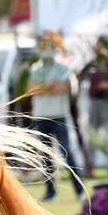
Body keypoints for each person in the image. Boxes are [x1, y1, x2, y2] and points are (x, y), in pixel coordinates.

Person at [27, 29, 85, 202]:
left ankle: (80, 190)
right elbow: (31, 90)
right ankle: (50, 192)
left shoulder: (63, 66)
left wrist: (43, 87)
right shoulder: (35, 68)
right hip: (41, 116)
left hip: (59, 115)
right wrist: (49, 87)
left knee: (67, 153)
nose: (44, 48)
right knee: (45, 157)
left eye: (47, 45)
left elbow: (61, 87)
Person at [79, 35, 108, 129]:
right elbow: (80, 77)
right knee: (93, 133)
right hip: (94, 102)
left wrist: (106, 85)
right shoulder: (92, 64)